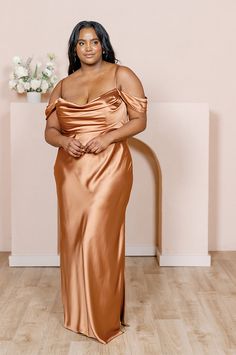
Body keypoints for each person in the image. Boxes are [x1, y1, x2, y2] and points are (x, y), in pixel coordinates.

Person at [44, 20, 148, 344]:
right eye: (81, 43)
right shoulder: (63, 85)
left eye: (94, 41)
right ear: (74, 48)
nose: (88, 48)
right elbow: (50, 131)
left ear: (103, 44)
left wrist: (108, 137)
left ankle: (102, 318)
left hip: (111, 167)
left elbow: (140, 121)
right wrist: (64, 142)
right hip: (71, 172)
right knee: (74, 240)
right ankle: (79, 315)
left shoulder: (122, 75)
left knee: (97, 239)